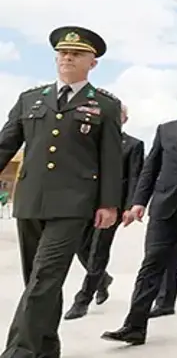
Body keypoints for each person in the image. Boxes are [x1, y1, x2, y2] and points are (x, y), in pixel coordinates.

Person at [0, 26, 122, 358]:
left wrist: (109, 203)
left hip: (73, 204)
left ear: (92, 63)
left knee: (44, 278)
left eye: (77, 54)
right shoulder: (31, 98)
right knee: (40, 284)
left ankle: (18, 352)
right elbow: (5, 144)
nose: (67, 57)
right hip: (29, 201)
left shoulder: (105, 106)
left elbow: (111, 158)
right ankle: (47, 348)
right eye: (63, 53)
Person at [101, 87, 177, 345]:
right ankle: (134, 325)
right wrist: (138, 202)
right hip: (165, 207)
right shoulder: (165, 130)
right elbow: (150, 168)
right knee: (152, 263)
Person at [64, 104, 144, 320]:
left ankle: (83, 299)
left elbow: (135, 177)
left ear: (125, 120)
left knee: (99, 248)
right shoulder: (89, 141)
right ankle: (102, 279)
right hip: (86, 202)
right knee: (80, 246)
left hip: (113, 205)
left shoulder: (133, 145)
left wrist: (130, 207)